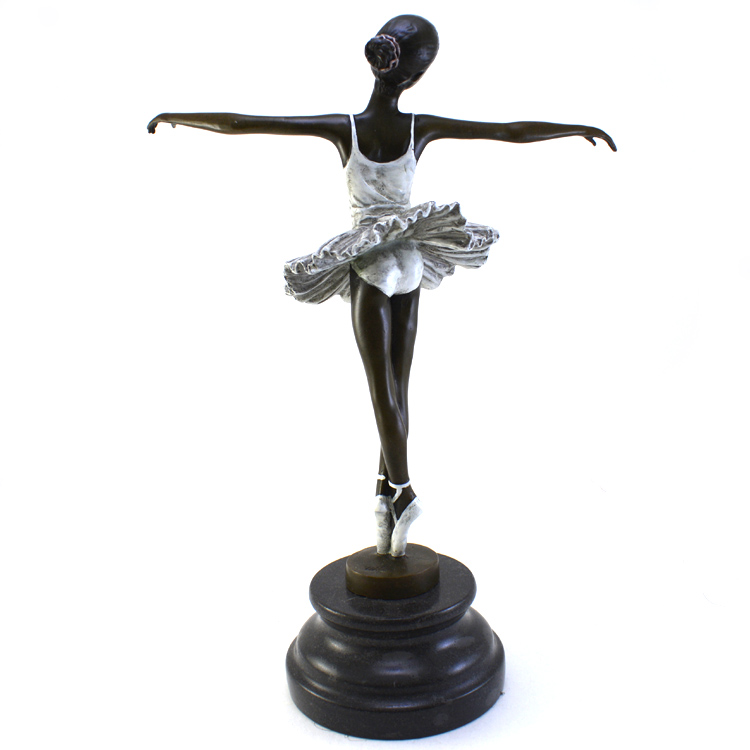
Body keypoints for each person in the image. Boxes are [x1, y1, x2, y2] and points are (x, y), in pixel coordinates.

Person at [147, 14, 616, 557]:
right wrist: (575, 128)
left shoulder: (344, 126)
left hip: (371, 265)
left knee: (381, 390)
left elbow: (245, 122)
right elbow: (506, 131)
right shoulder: (420, 126)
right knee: (399, 386)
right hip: (409, 261)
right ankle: (382, 496)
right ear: (415, 76)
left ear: (376, 61)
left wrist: (178, 117)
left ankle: (404, 490)